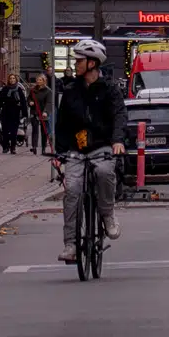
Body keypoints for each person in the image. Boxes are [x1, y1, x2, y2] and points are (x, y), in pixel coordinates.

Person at [55, 39, 127, 262]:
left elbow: (119, 116)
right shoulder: (70, 91)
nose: (75, 64)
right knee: (72, 191)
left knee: (105, 173)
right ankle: (71, 245)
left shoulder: (110, 90)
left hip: (103, 146)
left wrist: (117, 141)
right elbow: (62, 124)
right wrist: (59, 153)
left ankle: (107, 216)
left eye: (80, 60)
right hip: (77, 150)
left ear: (93, 63)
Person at [0, 74, 28, 154]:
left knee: (13, 131)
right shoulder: (5, 89)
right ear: (8, 80)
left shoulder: (19, 89)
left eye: (13, 78)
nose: (12, 80)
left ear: (16, 80)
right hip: (6, 112)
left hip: (15, 112)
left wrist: (24, 114)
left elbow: (23, 102)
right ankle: (5, 146)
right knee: (5, 131)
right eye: (10, 78)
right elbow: (0, 100)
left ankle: (13, 147)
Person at [29, 75, 53, 155]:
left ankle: (43, 148)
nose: (38, 81)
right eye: (37, 80)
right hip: (34, 112)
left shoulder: (48, 91)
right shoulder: (33, 90)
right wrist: (30, 102)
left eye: (40, 80)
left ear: (44, 81)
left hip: (43, 113)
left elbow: (49, 103)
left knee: (44, 131)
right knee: (35, 130)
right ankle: (34, 146)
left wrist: (46, 111)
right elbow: (29, 98)